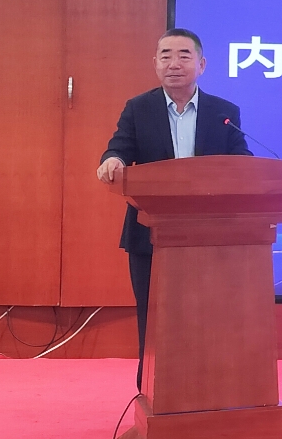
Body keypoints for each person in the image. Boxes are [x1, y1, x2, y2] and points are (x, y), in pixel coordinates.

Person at [96, 28, 251, 390]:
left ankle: (208, 387)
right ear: (155, 63)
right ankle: (152, 390)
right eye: (165, 55)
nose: (174, 63)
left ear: (202, 64)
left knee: (208, 316)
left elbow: (241, 159)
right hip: (150, 234)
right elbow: (119, 147)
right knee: (153, 317)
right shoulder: (138, 108)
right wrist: (113, 159)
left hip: (210, 237)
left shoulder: (224, 112)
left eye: (184, 55)